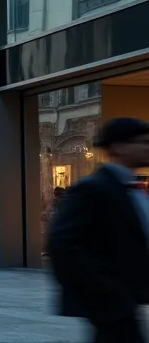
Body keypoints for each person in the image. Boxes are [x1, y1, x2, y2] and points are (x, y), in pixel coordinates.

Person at [49, 116, 149, 343]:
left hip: (126, 301)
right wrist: (104, 290)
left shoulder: (128, 188)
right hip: (110, 303)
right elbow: (62, 243)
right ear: (119, 147)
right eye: (142, 142)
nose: (147, 147)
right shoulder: (93, 189)